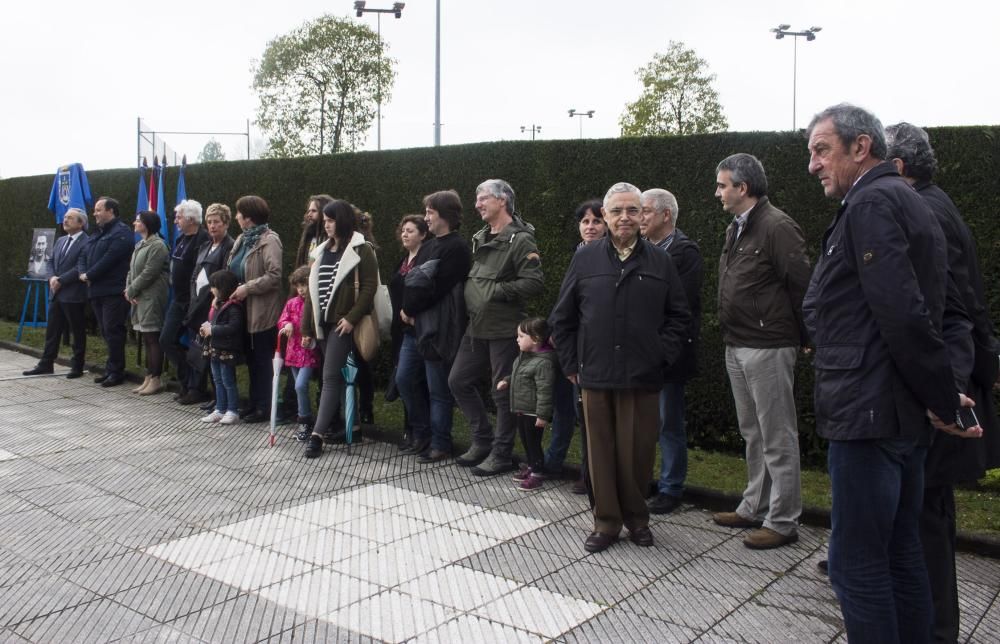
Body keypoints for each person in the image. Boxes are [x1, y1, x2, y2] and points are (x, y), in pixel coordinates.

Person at [804, 103, 981, 643]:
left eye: (821, 149)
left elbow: (905, 313)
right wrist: (941, 394)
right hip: (896, 412)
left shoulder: (874, 202)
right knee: (903, 551)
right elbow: (931, 312)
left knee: (856, 565)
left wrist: (943, 397)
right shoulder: (905, 199)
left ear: (862, 147)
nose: (812, 164)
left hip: (871, 414)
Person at [885, 121, 1000, 643]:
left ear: (899, 167)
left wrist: (945, 395)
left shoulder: (921, 211)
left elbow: (950, 312)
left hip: (942, 389)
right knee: (929, 511)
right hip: (951, 381)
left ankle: (934, 629)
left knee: (926, 516)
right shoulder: (935, 202)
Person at [550, 182, 690, 553]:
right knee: (600, 453)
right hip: (595, 373)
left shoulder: (661, 260)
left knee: (638, 453)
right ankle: (606, 522)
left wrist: (661, 354)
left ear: (644, 215)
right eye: (617, 211)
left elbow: (679, 316)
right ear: (607, 216)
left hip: (642, 375)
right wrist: (570, 363)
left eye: (633, 210)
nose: (625, 218)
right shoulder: (585, 259)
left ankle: (637, 519)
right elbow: (562, 318)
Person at [712, 153, 811, 550]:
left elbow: (802, 286)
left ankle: (784, 521)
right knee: (753, 432)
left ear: (743, 188)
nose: (716, 192)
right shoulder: (736, 227)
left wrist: (805, 337)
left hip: (768, 347)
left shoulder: (777, 226)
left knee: (777, 435)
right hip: (737, 344)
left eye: (722, 185)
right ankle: (755, 505)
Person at [449, 179, 544, 476]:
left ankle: (501, 454)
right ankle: (482, 440)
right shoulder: (480, 236)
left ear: (502, 200)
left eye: (483, 198)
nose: (477, 204)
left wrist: (497, 292)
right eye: (477, 198)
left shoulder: (520, 239)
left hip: (503, 328)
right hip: (476, 326)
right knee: (458, 381)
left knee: (502, 392)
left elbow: (534, 282)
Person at [640, 188, 704, 515]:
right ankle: (643, 481)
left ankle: (671, 487)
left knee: (668, 422)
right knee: (642, 422)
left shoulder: (685, 253)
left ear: (666, 215)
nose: (639, 218)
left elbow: (678, 304)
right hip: (639, 353)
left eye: (646, 211)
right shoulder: (638, 250)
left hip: (668, 354)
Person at [301, 200, 378, 458]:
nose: (326, 224)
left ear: (342, 220)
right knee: (335, 377)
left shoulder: (361, 249)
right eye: (325, 220)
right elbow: (311, 294)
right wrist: (306, 327)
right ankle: (348, 426)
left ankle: (317, 436)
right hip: (322, 324)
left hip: (342, 324)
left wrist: (352, 318)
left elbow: (369, 288)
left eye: (330, 220)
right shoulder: (321, 250)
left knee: (331, 376)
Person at [400, 190, 472, 463]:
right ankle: (422, 433)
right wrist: (408, 310)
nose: (426, 217)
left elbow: (437, 287)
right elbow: (413, 280)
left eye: (430, 212)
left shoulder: (457, 248)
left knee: (438, 389)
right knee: (404, 379)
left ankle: (440, 442)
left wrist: (410, 309)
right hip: (415, 327)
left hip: (438, 329)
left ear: (445, 214)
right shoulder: (430, 246)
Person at [544, 199, 605, 494]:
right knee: (566, 407)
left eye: (596, 221)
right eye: (585, 222)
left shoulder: (606, 257)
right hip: (570, 344)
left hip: (591, 346)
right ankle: (559, 464)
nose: (590, 227)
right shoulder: (579, 253)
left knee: (589, 415)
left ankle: (591, 475)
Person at [227, 195, 283, 424]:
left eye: (239, 213)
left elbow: (275, 275)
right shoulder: (241, 239)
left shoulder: (269, 240)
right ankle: (253, 402)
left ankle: (265, 406)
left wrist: (247, 288)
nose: (237, 217)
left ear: (248, 217)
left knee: (262, 360)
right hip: (242, 309)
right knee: (250, 359)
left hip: (262, 312)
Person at [23, 208, 90, 378]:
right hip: (56, 293)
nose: (65, 220)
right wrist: (52, 277)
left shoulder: (87, 242)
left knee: (77, 331)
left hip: (74, 293)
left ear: (81, 223)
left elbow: (80, 267)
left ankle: (77, 366)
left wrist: (61, 280)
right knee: (52, 331)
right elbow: (50, 261)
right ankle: (46, 363)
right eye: (65, 217)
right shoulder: (60, 240)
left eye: (70, 218)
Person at [183, 204, 236, 407]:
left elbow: (223, 279)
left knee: (214, 352)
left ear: (226, 224)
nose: (212, 226)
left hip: (212, 305)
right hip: (196, 304)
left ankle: (218, 398)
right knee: (199, 350)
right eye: (209, 222)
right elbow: (195, 276)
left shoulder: (229, 247)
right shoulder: (204, 246)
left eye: (216, 222)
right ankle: (198, 390)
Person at [79, 197, 134, 387]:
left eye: (98, 210)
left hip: (113, 291)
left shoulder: (122, 233)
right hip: (97, 290)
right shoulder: (98, 233)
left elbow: (110, 259)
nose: (94, 214)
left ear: (110, 211)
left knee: (113, 330)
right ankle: (111, 369)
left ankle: (117, 372)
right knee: (105, 331)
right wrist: (82, 272)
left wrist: (89, 275)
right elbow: (84, 254)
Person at [390, 215, 432, 456]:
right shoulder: (403, 260)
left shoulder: (425, 260)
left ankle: (422, 432)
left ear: (423, 234)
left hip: (419, 329)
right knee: (404, 379)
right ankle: (414, 430)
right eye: (403, 230)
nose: (405, 234)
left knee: (415, 380)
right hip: (401, 329)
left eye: (411, 231)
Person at [498, 317, 556, 492]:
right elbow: (519, 375)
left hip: (533, 412)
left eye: (521, 336)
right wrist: (507, 381)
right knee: (525, 440)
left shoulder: (544, 363)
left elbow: (545, 391)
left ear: (536, 339)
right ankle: (532, 466)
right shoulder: (524, 357)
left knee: (533, 442)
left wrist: (543, 415)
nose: (517, 339)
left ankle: (538, 473)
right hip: (522, 409)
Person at [162, 200, 209, 402]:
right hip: (178, 299)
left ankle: (196, 388)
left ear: (191, 219)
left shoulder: (203, 239)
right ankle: (185, 380)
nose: (175, 221)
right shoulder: (181, 239)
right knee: (166, 339)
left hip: (195, 302)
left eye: (179, 217)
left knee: (196, 346)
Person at [126, 210, 170, 395]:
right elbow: (131, 271)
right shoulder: (140, 244)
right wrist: (128, 289)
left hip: (151, 297)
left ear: (147, 224)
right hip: (138, 296)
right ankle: (148, 376)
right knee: (146, 338)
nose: (135, 223)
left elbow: (149, 272)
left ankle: (156, 378)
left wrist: (132, 289)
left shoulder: (158, 245)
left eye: (138, 220)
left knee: (153, 338)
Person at [278, 266, 321, 441]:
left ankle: (305, 419)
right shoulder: (292, 303)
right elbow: (282, 319)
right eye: (298, 286)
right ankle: (305, 418)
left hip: (309, 353)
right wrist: (286, 325)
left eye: (304, 284)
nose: (301, 289)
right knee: (298, 387)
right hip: (293, 352)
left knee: (300, 385)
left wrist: (310, 336)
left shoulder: (315, 303)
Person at [199, 270, 245, 425]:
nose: (211, 290)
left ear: (223, 288)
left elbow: (234, 327)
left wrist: (213, 330)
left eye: (214, 287)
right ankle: (220, 408)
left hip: (226, 350)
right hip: (215, 348)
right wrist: (206, 328)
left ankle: (232, 410)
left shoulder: (234, 307)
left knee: (227, 380)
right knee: (217, 380)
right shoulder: (218, 305)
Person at [294, 194, 334, 268]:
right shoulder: (308, 237)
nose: (309, 214)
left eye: (314, 211)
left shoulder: (332, 239)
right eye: (308, 211)